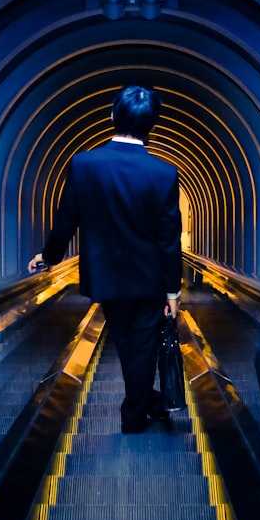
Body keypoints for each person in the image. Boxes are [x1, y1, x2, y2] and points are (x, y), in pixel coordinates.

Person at [28, 85, 182, 433]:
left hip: (107, 276)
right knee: (141, 344)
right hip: (149, 278)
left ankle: (139, 408)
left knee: (128, 343)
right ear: (152, 125)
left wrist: (48, 257)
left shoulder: (84, 165)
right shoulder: (164, 173)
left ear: (112, 116)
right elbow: (168, 238)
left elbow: (66, 218)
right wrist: (172, 291)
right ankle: (138, 411)